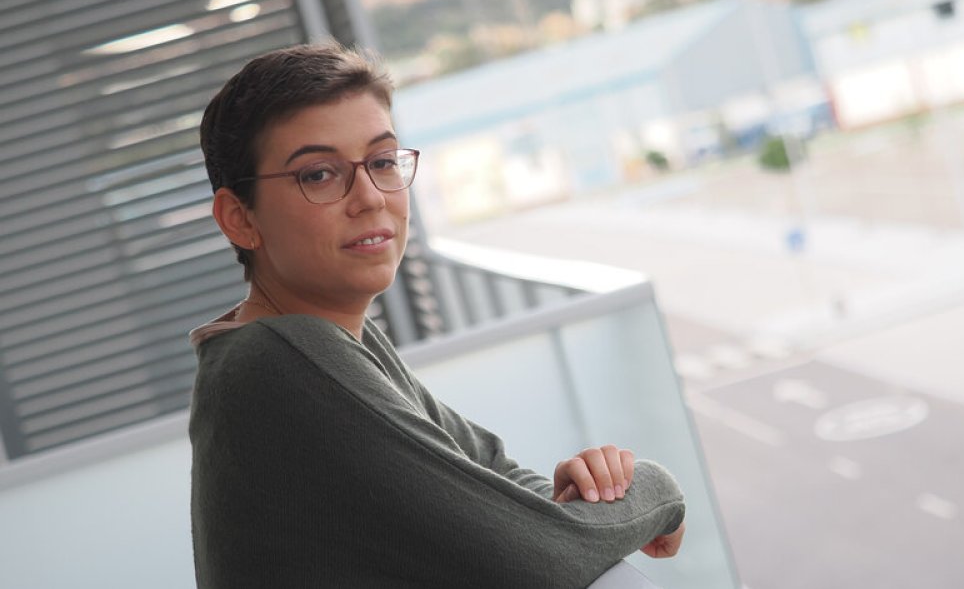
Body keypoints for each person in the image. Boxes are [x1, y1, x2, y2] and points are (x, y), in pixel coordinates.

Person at [188, 42, 686, 588]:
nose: (371, 197)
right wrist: (655, 489)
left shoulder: (329, 341)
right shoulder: (279, 363)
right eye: (319, 175)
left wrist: (580, 494)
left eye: (381, 161)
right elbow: (538, 556)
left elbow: (494, 474)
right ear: (239, 218)